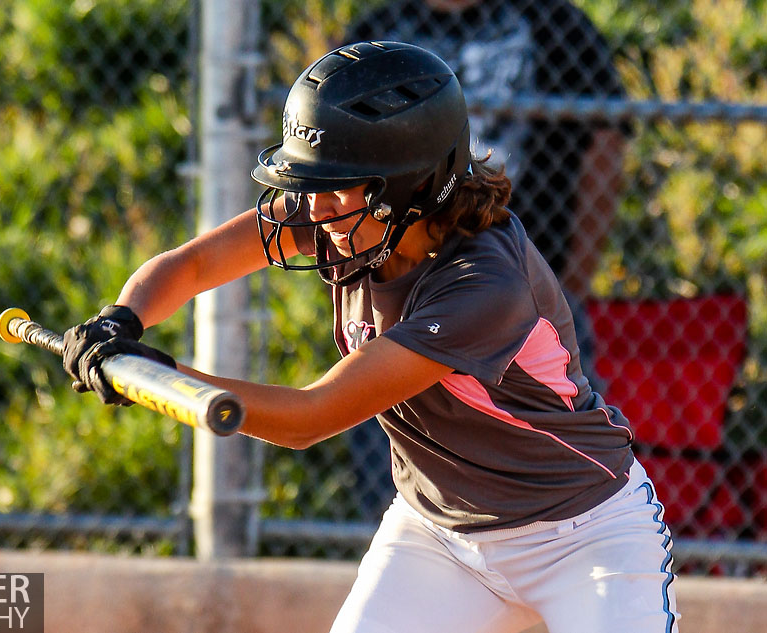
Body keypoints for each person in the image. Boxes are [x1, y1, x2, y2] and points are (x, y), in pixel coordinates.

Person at [62, 42, 678, 633]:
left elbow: (311, 415)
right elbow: (192, 266)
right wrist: (123, 321)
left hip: (583, 536)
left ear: (411, 184)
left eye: (338, 185)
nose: (315, 208)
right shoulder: (351, 220)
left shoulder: (483, 285)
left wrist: (160, 378)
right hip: (439, 535)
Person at [342, 0, 630, 518]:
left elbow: (606, 142)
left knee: (555, 446)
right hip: (397, 287)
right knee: (396, 466)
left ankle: (560, 548)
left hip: (522, 289)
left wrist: (576, 278)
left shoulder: (554, 23)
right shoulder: (381, 29)